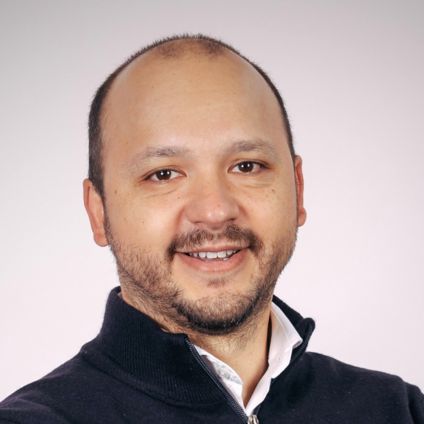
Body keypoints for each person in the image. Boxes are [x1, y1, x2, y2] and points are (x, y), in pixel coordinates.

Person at [0, 34, 422, 424]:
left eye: (247, 166)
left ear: (298, 189)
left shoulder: (398, 410)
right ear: (98, 212)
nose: (216, 211)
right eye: (164, 174)